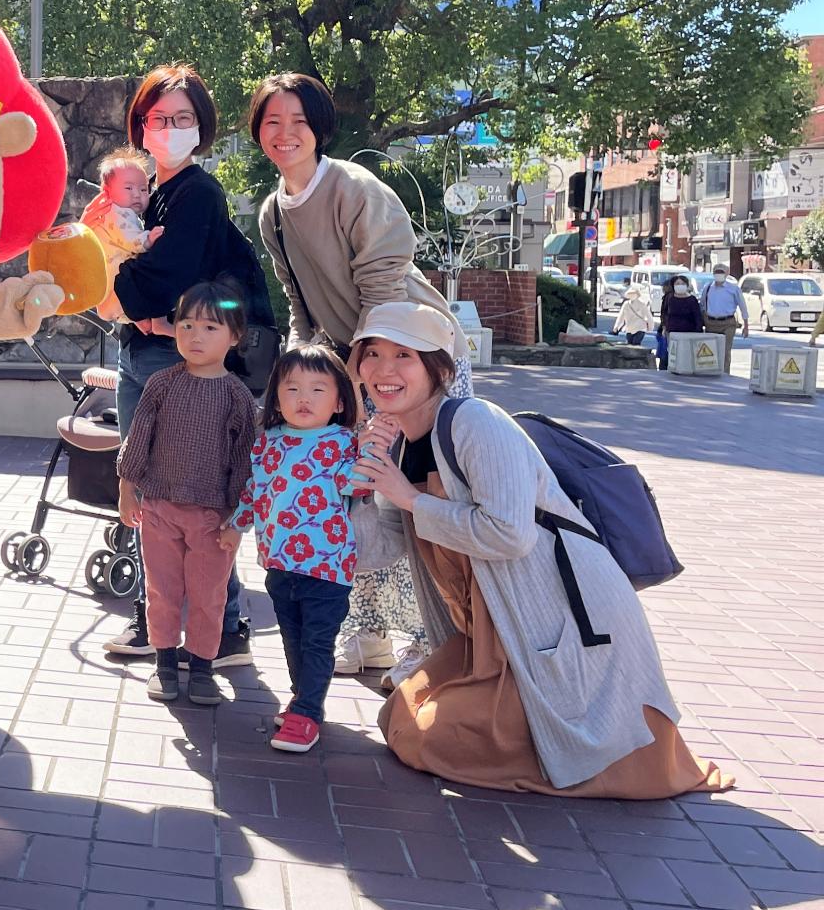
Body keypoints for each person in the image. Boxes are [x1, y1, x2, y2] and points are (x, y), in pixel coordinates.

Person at [347, 302, 730, 797]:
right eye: (372, 354)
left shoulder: (475, 422)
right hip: (487, 627)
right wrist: (358, 486)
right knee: (402, 718)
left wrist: (410, 497)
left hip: (557, 620)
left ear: (437, 368)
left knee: (434, 739)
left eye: (404, 354)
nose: (384, 370)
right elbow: (377, 551)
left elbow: (509, 534)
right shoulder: (398, 443)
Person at [246, 71, 469, 684]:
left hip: (411, 359)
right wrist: (299, 374)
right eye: (272, 122)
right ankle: (368, 634)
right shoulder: (273, 212)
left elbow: (383, 290)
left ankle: (437, 640)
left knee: (424, 496)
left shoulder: (352, 188)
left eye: (299, 120)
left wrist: (361, 385)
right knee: (353, 502)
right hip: (351, 370)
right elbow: (300, 304)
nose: (285, 133)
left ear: (320, 126)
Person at [86, 65, 270, 667]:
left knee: (194, 498)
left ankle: (227, 626)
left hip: (180, 356)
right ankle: (156, 618)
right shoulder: (143, 193)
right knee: (150, 497)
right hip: (142, 350)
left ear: (202, 128)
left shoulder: (197, 192)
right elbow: (104, 265)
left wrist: (120, 285)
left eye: (183, 119)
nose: (170, 128)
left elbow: (166, 275)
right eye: (159, 118)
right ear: (141, 126)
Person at [115, 283, 257, 706]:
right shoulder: (160, 385)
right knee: (162, 591)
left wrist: (237, 520)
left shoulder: (237, 397)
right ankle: (163, 664)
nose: (195, 336)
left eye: (210, 327)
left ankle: (201, 669)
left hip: (213, 518)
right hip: (158, 508)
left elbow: (244, 461)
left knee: (208, 596)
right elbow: (137, 440)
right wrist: (127, 488)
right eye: (187, 324)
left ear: (234, 336)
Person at [224, 345, 361, 753]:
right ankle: (304, 701)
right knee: (292, 637)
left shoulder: (343, 443)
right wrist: (237, 526)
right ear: (276, 397)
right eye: (293, 388)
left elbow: (359, 484)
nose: (304, 399)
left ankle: (306, 713)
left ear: (340, 401)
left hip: (328, 566)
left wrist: (373, 444)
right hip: (280, 562)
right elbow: (255, 490)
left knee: (318, 642)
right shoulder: (268, 442)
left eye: (318, 389)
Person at [90, 147, 155, 323]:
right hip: (116, 283)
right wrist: (148, 239)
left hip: (112, 287)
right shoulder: (116, 213)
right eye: (129, 188)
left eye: (143, 190)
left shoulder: (116, 212)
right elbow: (129, 239)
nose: (137, 195)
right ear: (107, 191)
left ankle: (140, 320)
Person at [656, 274, 704, 369]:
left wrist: (699, 331)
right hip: (672, 331)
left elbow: (697, 317)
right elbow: (664, 313)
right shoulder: (669, 298)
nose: (680, 285)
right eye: (677, 283)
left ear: (686, 285)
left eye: (682, 283)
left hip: (689, 332)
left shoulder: (692, 300)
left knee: (687, 354)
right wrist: (664, 327)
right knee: (672, 353)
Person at [701, 263, 748, 356]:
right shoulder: (708, 288)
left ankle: (725, 371)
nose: (718, 274)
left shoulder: (734, 289)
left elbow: (743, 307)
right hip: (711, 323)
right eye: (716, 272)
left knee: (725, 352)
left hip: (728, 323)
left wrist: (746, 325)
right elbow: (702, 305)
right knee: (710, 352)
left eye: (721, 272)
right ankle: (712, 371)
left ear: (727, 273)